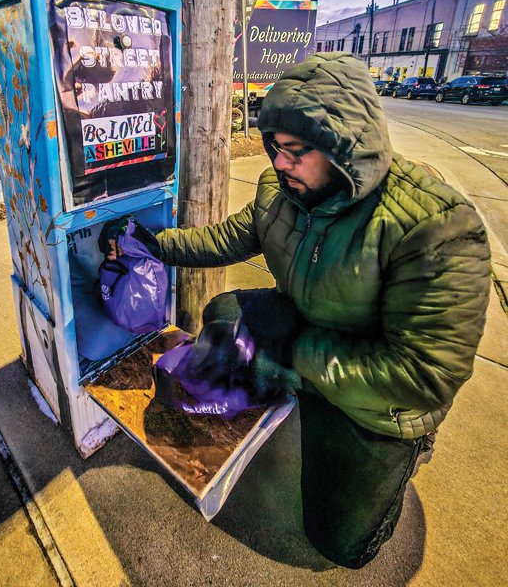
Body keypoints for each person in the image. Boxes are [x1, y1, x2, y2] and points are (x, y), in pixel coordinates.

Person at [115, 52, 491, 568]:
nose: (279, 163)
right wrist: (153, 244)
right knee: (225, 315)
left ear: (345, 149)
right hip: (313, 338)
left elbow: (425, 374)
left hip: (381, 395)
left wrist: (291, 357)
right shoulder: (282, 190)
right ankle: (296, 389)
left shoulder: (435, 227)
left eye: (296, 151)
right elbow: (224, 238)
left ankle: (407, 455)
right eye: (274, 148)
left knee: (339, 545)